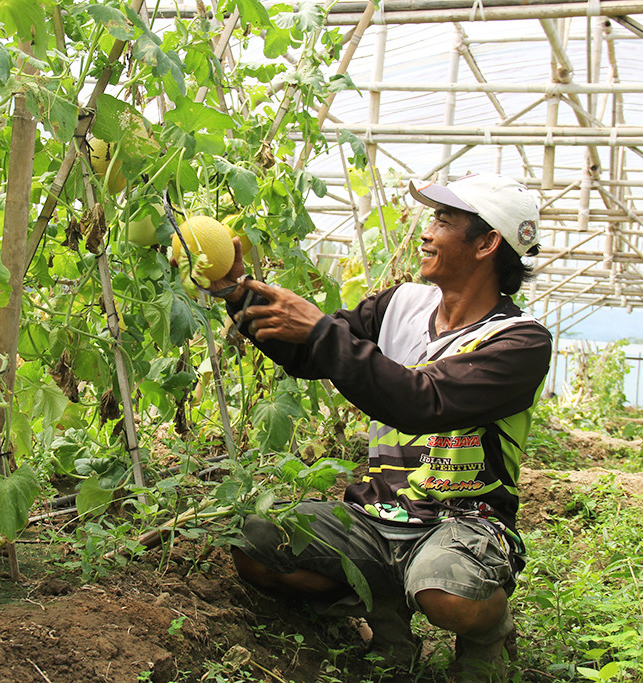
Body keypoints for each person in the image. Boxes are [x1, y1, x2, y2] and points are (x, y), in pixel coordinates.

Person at [208, 173, 552, 681]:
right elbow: (310, 354)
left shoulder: (519, 343)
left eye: (444, 221)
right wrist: (239, 292)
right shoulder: (401, 306)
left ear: (487, 243)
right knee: (257, 542)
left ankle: (490, 627)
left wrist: (323, 330)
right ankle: (383, 612)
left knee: (447, 592)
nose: (427, 232)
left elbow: (423, 401)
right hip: (377, 515)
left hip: (464, 521)